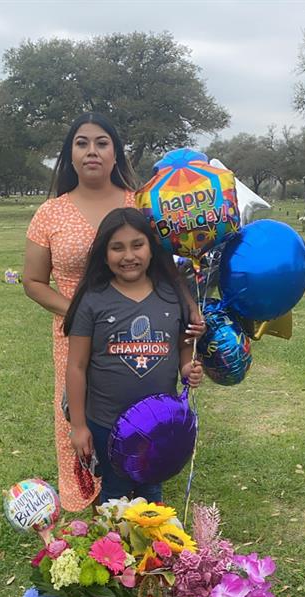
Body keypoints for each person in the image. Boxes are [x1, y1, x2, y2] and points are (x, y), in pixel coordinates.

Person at [23, 112, 204, 511]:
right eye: (82, 142)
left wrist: (189, 304)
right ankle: (94, 506)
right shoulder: (50, 213)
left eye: (102, 143)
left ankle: (142, 486)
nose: (92, 151)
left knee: (141, 409)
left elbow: (168, 262)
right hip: (77, 334)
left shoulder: (137, 202)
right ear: (69, 154)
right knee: (84, 417)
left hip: (144, 333)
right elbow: (33, 282)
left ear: (115, 152)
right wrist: (83, 313)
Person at [64, 207, 203, 504]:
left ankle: (152, 551)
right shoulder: (93, 300)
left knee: (152, 493)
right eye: (117, 247)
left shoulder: (171, 296)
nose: (128, 255)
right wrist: (78, 426)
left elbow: (182, 346)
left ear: (153, 249)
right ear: (104, 254)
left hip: (160, 423)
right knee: (114, 498)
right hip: (106, 423)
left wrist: (187, 368)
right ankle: (112, 551)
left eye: (137, 245)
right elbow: (76, 366)